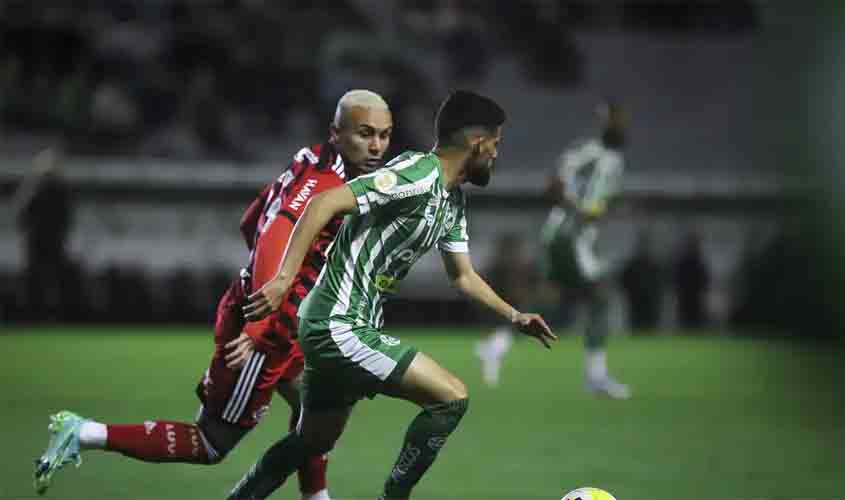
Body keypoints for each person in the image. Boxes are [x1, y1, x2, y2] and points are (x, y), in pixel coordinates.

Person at [33, 90, 395, 500]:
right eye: (365, 134)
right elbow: (274, 238)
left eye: (384, 135)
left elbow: (251, 221)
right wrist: (260, 327)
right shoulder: (324, 185)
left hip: (284, 323)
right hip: (263, 333)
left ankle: (316, 497)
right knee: (210, 443)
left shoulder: (313, 158)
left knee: (317, 406)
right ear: (337, 132)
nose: (377, 146)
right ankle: (83, 433)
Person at [227, 90, 557, 500]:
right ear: (478, 142)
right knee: (451, 398)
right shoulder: (418, 174)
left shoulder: (450, 201)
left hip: (340, 323)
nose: (496, 155)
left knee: (311, 441)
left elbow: (464, 277)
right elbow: (323, 203)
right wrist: (281, 280)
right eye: (496, 144)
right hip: (338, 321)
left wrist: (514, 316)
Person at [477, 99, 631, 399]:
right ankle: (595, 376)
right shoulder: (591, 153)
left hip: (571, 236)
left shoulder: (611, 159)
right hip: (570, 236)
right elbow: (554, 183)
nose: (623, 126)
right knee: (599, 296)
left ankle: (496, 345)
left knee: (553, 298)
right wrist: (580, 209)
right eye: (618, 120)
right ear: (605, 122)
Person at [12, 147, 74, 320]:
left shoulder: (36, 186)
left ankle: (37, 314)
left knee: (42, 280)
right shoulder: (54, 188)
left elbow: (21, 212)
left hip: (41, 240)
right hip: (45, 241)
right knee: (45, 280)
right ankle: (46, 314)